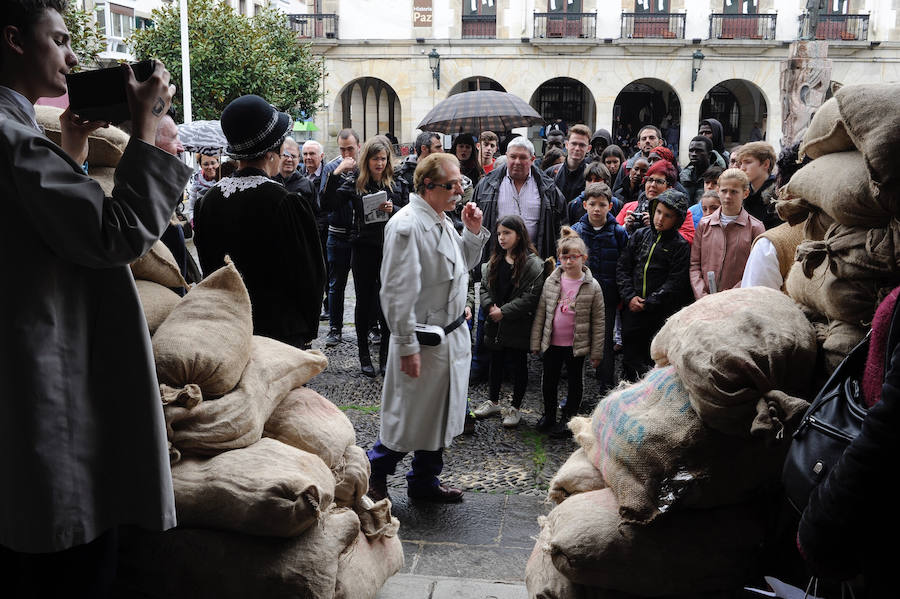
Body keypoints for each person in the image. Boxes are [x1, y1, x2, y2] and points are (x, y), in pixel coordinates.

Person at [0, 0, 191, 591]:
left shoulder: (24, 133)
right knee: (70, 550)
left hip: (35, 357)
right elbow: (114, 235)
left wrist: (73, 153)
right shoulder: (11, 139)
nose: (73, 56)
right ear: (14, 40)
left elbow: (42, 230)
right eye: (58, 39)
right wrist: (146, 129)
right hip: (47, 371)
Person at [367, 152, 489, 504]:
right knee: (408, 416)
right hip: (423, 341)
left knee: (440, 414)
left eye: (461, 184)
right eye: (452, 185)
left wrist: (473, 231)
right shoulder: (407, 226)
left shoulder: (441, 218)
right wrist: (405, 346)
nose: (459, 192)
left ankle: (424, 482)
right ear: (427, 186)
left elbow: (461, 266)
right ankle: (376, 472)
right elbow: (396, 292)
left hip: (451, 337)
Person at [194, 95, 325, 350]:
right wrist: (306, 330)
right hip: (278, 336)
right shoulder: (285, 202)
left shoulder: (207, 201)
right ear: (272, 152)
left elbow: (209, 268)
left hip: (227, 329)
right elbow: (310, 276)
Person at [470, 136, 564, 381]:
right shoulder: (489, 183)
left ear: (533, 160)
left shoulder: (547, 186)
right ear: (506, 157)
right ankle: (481, 367)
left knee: (519, 315)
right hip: (497, 258)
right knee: (488, 312)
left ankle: (513, 369)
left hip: (529, 262)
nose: (517, 162)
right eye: (513, 156)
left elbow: (559, 221)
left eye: (523, 157)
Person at [333, 135, 409, 376]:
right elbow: (329, 202)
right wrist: (337, 173)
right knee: (364, 301)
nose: (379, 163)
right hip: (363, 247)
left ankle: (385, 356)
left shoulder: (397, 183)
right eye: (375, 159)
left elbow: (409, 213)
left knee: (387, 302)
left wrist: (392, 209)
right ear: (367, 160)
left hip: (389, 248)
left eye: (383, 159)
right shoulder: (356, 181)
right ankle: (364, 354)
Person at [470, 215, 547, 428]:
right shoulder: (494, 262)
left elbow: (530, 297)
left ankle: (515, 407)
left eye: (507, 233)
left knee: (518, 364)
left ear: (519, 235)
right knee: (495, 361)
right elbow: (484, 287)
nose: (502, 238)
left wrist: (504, 312)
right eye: (499, 234)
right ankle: (493, 401)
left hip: (517, 324)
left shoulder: (532, 265)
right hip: (496, 323)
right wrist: (490, 307)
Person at [531, 227, 605, 438]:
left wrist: (597, 353)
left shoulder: (592, 286)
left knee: (575, 382)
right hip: (553, 342)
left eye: (575, 257)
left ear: (584, 258)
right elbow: (541, 313)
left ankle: (569, 418)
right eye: (565, 257)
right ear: (559, 258)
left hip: (576, 345)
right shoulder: (552, 281)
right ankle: (549, 414)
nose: (570, 261)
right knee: (549, 380)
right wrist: (536, 342)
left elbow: (599, 321)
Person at [616, 188, 692, 381]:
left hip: (657, 314)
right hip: (632, 309)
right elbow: (623, 267)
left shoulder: (680, 245)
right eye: (658, 212)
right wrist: (630, 297)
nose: (660, 219)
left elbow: (675, 282)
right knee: (630, 357)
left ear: (678, 219)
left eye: (667, 215)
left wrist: (650, 302)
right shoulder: (640, 235)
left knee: (653, 361)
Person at [572, 183, 628, 394]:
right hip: (581, 295)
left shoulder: (618, 232)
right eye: (592, 204)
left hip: (607, 296)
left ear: (610, 206)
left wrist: (621, 292)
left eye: (602, 204)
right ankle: (576, 387)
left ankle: (606, 384)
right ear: (585, 205)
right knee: (579, 338)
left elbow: (625, 263)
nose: (597, 209)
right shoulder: (576, 231)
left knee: (604, 340)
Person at [689, 168, 764, 299]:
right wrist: (702, 295)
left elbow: (755, 270)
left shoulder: (755, 228)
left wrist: (729, 297)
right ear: (718, 191)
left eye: (734, 192)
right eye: (724, 191)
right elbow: (695, 265)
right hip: (704, 302)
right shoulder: (704, 224)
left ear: (745, 193)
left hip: (738, 301)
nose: (728, 196)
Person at [320, 128, 361, 347]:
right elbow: (324, 202)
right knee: (336, 285)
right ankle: (335, 328)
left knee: (367, 284)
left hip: (360, 235)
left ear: (359, 147)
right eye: (342, 149)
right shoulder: (330, 168)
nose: (346, 154)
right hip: (337, 234)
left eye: (350, 149)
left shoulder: (364, 167)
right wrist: (336, 174)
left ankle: (370, 326)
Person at [618, 159, 695, 245]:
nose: (652, 185)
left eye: (659, 181)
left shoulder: (680, 212)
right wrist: (625, 227)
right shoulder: (629, 207)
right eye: (650, 180)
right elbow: (612, 237)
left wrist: (657, 228)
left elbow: (688, 242)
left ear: (670, 187)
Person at [737, 141, 781, 230]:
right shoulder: (741, 193)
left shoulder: (780, 194)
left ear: (766, 164)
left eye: (748, 162)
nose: (742, 168)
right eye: (741, 163)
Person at [566, 160, 617, 225]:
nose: (592, 183)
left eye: (597, 180)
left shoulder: (616, 203)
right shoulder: (575, 204)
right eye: (589, 180)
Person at [554, 123, 592, 204]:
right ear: (567, 145)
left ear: (588, 148)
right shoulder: (552, 173)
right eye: (574, 144)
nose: (577, 148)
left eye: (582, 145)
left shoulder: (592, 176)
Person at [185, 152, 220, 224]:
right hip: (203, 223)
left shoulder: (226, 179)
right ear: (201, 166)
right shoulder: (197, 180)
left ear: (218, 163)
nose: (210, 167)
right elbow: (192, 208)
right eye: (206, 164)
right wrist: (193, 222)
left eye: (213, 163)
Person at [679, 135, 713, 206]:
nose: (694, 154)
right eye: (691, 151)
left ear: (709, 154)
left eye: (699, 151)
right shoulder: (683, 175)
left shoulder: (717, 177)